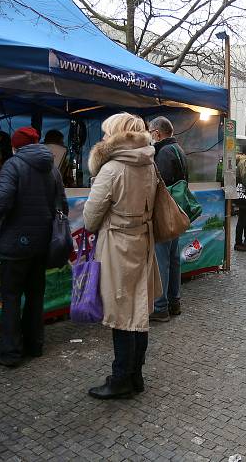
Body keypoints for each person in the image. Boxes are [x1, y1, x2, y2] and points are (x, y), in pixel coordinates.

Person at [83, 113, 162, 399]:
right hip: (143, 241)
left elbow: (91, 218)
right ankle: (135, 374)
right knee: (138, 311)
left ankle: (120, 379)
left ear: (116, 134)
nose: (104, 138)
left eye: (106, 133)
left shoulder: (112, 169)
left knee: (121, 314)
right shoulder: (150, 164)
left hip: (118, 244)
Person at [0, 126, 66, 367]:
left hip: (15, 244)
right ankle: (35, 345)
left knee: (12, 296)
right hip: (42, 242)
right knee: (36, 294)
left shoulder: (13, 165)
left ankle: (11, 353)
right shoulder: (52, 168)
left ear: (15, 146)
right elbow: (63, 205)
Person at [148, 116, 188, 321]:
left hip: (165, 213)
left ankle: (161, 306)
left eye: (150, 131)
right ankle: (174, 301)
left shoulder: (162, 152)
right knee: (173, 260)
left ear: (157, 132)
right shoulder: (178, 149)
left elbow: (158, 186)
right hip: (177, 212)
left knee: (162, 260)